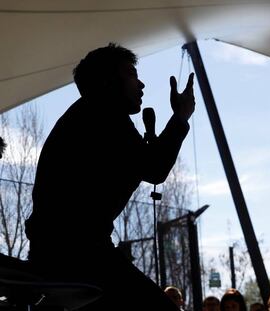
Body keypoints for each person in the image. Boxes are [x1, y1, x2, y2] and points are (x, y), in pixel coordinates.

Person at [24, 43, 195, 310]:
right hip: (79, 254)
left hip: (60, 252)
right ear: (107, 82)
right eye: (130, 74)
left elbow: (146, 165)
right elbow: (154, 168)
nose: (141, 84)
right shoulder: (103, 115)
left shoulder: (86, 115)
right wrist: (181, 118)